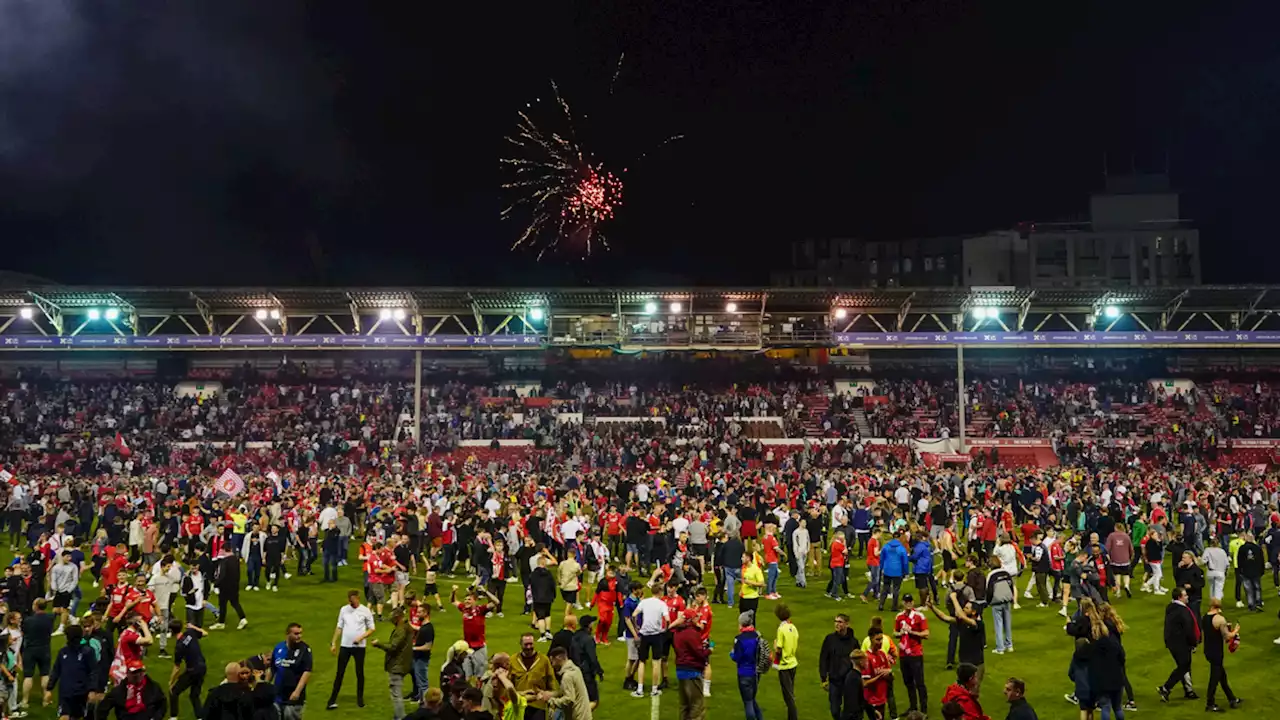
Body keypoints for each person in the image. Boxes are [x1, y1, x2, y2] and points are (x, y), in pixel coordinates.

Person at [328, 589, 377, 710]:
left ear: (358, 598)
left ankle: (360, 700)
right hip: (345, 646)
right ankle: (332, 699)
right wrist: (334, 642)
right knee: (340, 673)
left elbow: (372, 628)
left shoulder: (365, 611)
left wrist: (360, 637)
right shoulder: (344, 609)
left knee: (359, 673)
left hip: (359, 647)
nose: (351, 602)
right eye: (349, 600)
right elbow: (339, 627)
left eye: (353, 600)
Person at [44, 624, 97, 720]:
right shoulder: (63, 652)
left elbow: (93, 671)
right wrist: (49, 689)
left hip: (81, 692)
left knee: (76, 717)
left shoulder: (87, 652)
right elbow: (56, 671)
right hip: (65, 693)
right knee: (64, 717)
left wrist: (92, 690)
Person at [1157, 586, 1200, 703]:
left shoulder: (1171, 607)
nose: (1187, 597)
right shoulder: (1184, 611)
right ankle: (1166, 687)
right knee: (1184, 666)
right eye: (1185, 595)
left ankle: (1188, 690)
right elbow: (1189, 630)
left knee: (1183, 666)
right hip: (1181, 643)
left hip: (1171, 642)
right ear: (1180, 597)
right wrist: (1193, 643)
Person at [1201, 597, 1242, 712]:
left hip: (1208, 650)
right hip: (1216, 652)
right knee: (1214, 678)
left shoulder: (1205, 617)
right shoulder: (1220, 619)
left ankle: (1232, 699)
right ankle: (1210, 703)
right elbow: (1227, 637)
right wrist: (1236, 630)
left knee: (1221, 676)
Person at [372, 608, 414, 720]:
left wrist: (378, 644)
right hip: (402, 664)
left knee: (396, 694)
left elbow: (393, 647)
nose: (391, 620)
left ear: (397, 617)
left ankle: (400, 717)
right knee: (396, 693)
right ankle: (397, 716)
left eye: (392, 617)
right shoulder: (406, 627)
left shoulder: (401, 630)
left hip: (397, 665)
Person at [631, 584, 670, 698]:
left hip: (644, 634)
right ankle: (654, 689)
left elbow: (634, 615)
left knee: (642, 661)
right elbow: (667, 620)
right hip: (656, 634)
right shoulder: (662, 604)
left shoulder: (644, 602)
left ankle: (640, 689)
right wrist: (665, 629)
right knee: (656, 662)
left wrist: (636, 626)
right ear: (660, 592)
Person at [818, 614, 859, 720]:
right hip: (834, 680)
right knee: (835, 710)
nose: (837, 624)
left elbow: (859, 661)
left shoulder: (853, 642)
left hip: (848, 680)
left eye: (840, 622)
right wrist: (823, 677)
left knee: (850, 710)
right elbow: (823, 658)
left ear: (847, 624)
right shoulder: (829, 639)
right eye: (835, 621)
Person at [895, 594, 929, 715]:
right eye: (906, 601)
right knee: (908, 681)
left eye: (910, 601)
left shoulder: (919, 616)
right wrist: (900, 633)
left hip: (916, 653)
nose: (908, 604)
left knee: (919, 682)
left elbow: (926, 633)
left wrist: (912, 632)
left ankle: (924, 709)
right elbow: (895, 632)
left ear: (913, 602)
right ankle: (913, 707)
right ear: (903, 603)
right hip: (904, 654)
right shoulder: (899, 617)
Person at [168, 619, 209, 720]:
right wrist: (193, 627)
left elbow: (177, 667)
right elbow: (205, 633)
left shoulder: (179, 647)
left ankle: (173, 717)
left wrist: (171, 681)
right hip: (202, 667)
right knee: (194, 695)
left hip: (192, 670)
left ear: (171, 631)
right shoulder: (190, 633)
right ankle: (200, 717)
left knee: (173, 691)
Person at [98, 660, 167, 719]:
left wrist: (156, 718)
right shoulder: (119, 691)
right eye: (134, 672)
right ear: (127, 673)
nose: (138, 675)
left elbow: (162, 704)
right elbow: (102, 708)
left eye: (140, 671)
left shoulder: (153, 687)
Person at [272, 623, 313, 720]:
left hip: (293, 697)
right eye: (296, 634)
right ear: (288, 634)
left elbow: (307, 672)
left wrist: (297, 691)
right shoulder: (279, 648)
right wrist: (264, 685)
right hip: (277, 694)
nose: (299, 636)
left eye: (300, 633)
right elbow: (272, 668)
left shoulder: (305, 650)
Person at [511, 633, 557, 720]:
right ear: (520, 644)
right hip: (519, 705)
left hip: (538, 704)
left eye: (531, 644)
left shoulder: (544, 660)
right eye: (526, 644)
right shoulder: (513, 660)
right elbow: (509, 683)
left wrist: (552, 701)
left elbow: (551, 681)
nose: (528, 647)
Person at [20, 597, 54, 712]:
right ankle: (46, 700)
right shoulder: (50, 618)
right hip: (45, 649)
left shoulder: (28, 620)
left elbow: (23, 632)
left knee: (28, 675)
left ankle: (25, 701)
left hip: (30, 649)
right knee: (45, 674)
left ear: (35, 606)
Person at [729, 612, 764, 720]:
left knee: (748, 702)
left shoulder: (739, 639)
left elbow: (737, 657)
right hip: (755, 672)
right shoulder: (757, 636)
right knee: (752, 699)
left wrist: (731, 654)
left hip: (743, 673)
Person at [673, 619, 709, 720]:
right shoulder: (691, 633)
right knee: (696, 705)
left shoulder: (677, 632)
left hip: (680, 670)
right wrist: (708, 651)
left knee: (684, 705)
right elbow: (698, 653)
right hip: (692, 671)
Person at [542, 646, 592, 720]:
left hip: (578, 717)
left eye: (552, 661)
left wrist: (551, 701)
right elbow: (568, 690)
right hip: (585, 715)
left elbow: (569, 699)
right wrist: (552, 694)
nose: (552, 665)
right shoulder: (576, 669)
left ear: (558, 658)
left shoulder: (567, 676)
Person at [210, 547, 249, 631]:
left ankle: (221, 623)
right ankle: (243, 619)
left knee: (222, 604)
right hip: (234, 586)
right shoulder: (236, 559)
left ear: (224, 550)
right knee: (235, 603)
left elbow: (222, 575)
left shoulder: (224, 561)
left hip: (225, 587)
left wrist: (215, 584)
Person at [412, 604, 436, 703]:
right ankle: (422, 700)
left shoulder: (428, 629)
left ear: (426, 613)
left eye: (419, 612)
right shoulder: (423, 626)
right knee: (420, 681)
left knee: (423, 683)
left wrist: (413, 648)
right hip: (418, 658)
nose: (417, 614)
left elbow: (428, 646)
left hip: (422, 659)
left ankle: (426, 703)